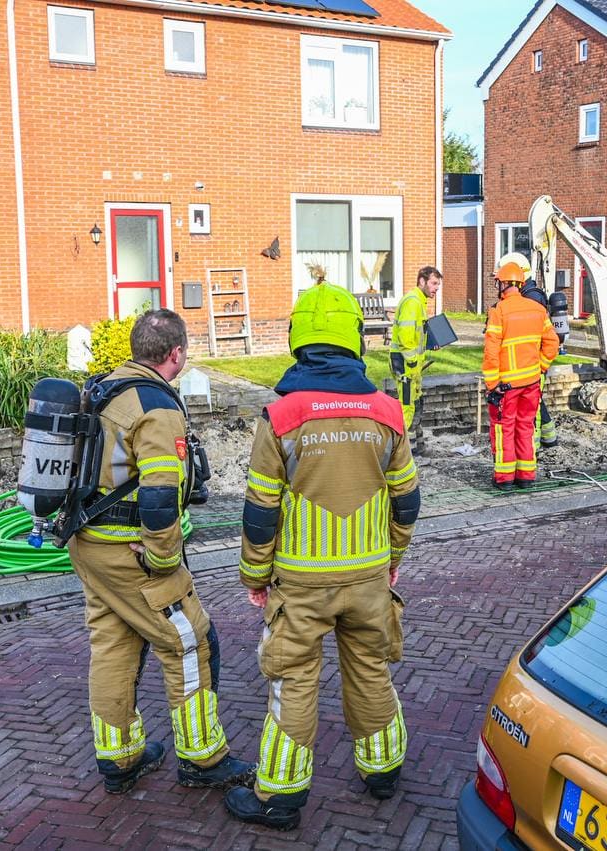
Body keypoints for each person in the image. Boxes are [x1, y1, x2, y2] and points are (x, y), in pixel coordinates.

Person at [225, 282, 420, 831]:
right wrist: (392, 558)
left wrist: (254, 574)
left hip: (302, 585)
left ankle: (280, 797)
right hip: (367, 580)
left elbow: (260, 510)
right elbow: (407, 498)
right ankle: (382, 771)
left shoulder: (281, 415)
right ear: (354, 339)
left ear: (297, 339)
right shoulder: (387, 410)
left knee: (293, 680)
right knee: (370, 670)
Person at [68, 309, 253, 795]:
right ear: (176, 354)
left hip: (88, 545)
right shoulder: (156, 405)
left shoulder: (103, 389)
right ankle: (203, 758)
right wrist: (163, 558)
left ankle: (120, 757)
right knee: (190, 640)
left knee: (112, 644)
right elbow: (158, 491)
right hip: (132, 551)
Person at [483, 261, 559, 489]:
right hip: (531, 382)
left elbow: (491, 351)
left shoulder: (499, 312)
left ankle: (505, 478)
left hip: (506, 385)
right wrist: (541, 367)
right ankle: (526, 476)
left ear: (504, 284)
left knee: (504, 428)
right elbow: (552, 343)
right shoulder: (538, 309)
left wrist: (492, 383)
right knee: (526, 427)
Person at [390, 266, 443, 454]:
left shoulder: (418, 301)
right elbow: (405, 338)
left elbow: (415, 336)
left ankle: (417, 447)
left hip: (411, 365)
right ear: (422, 281)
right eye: (434, 283)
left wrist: (430, 342)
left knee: (416, 403)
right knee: (407, 407)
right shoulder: (413, 302)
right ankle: (404, 452)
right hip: (405, 364)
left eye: (438, 284)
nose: (436, 288)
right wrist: (412, 362)